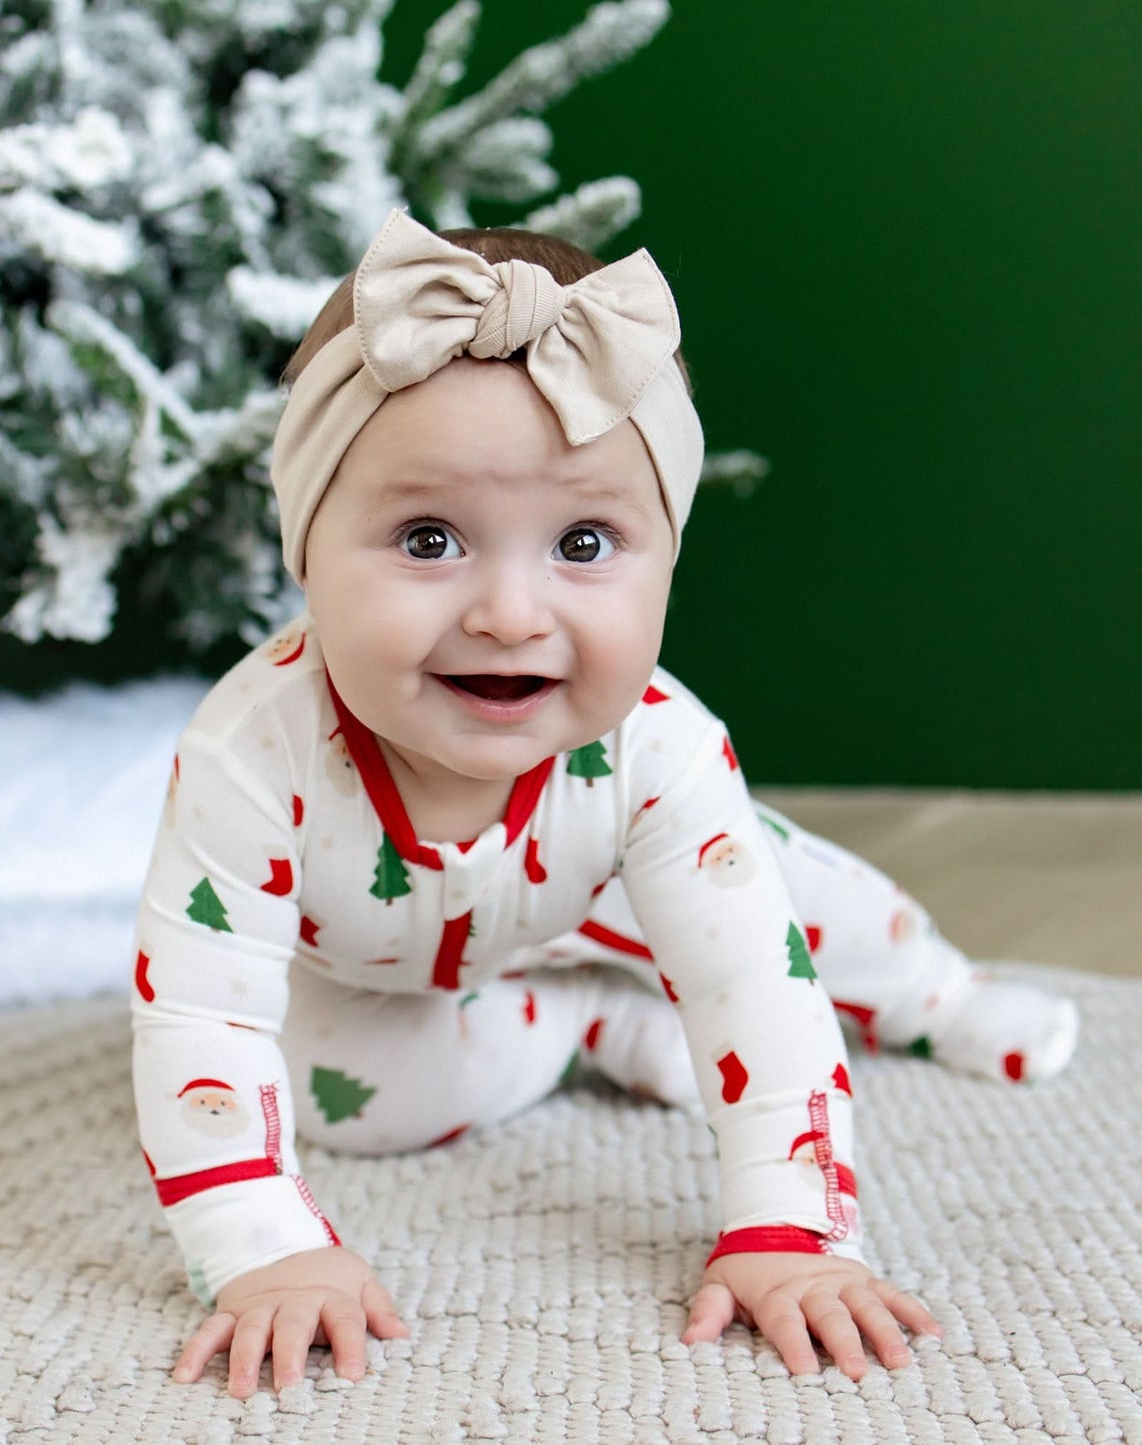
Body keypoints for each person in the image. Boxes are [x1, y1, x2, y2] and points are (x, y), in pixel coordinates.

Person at [131, 209, 1079, 1399]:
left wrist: (789, 1231)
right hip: (367, 959)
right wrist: (263, 1251)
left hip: (596, 875)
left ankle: (939, 992)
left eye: (583, 540)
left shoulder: (658, 747)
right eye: (428, 537)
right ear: (303, 546)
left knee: (814, 912)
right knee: (354, 1104)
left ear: (664, 555)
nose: (510, 614)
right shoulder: (247, 749)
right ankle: (579, 1021)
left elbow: (752, 993)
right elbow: (204, 1022)